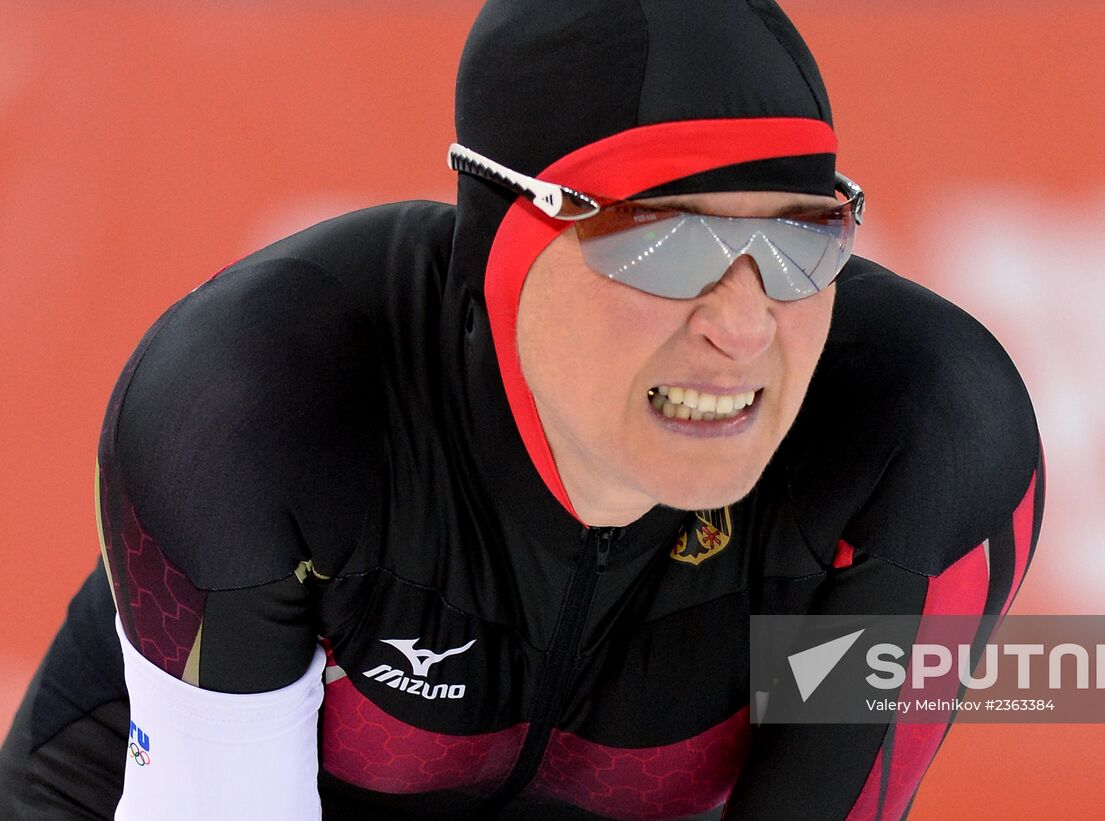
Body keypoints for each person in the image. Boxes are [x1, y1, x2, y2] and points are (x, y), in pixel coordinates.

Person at [0, 1, 1044, 818]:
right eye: (663, 242)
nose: (745, 323)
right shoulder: (256, 407)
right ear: (503, 247)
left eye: (799, 238)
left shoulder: (918, 436)